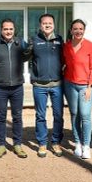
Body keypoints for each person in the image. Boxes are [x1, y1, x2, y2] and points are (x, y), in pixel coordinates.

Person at [0, 18, 29, 159]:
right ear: (1, 30)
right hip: (0, 87)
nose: (8, 31)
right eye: (5, 29)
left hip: (17, 87)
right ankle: (1, 145)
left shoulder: (21, 43)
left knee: (17, 117)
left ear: (14, 30)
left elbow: (30, 56)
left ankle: (17, 144)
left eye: (11, 29)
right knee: (1, 117)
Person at [28, 13, 64, 158]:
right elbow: (26, 57)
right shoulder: (34, 40)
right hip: (39, 85)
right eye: (44, 23)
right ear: (40, 25)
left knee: (58, 115)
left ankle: (55, 142)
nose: (47, 25)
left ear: (54, 25)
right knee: (40, 115)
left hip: (57, 84)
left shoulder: (60, 40)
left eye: (50, 23)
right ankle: (42, 143)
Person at [63, 19, 92, 159]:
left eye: (81, 29)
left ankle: (86, 146)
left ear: (84, 30)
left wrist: (90, 86)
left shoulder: (90, 46)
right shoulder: (66, 46)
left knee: (85, 115)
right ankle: (77, 143)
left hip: (85, 86)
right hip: (70, 84)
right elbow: (63, 63)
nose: (78, 31)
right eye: (75, 29)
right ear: (71, 30)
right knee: (75, 113)